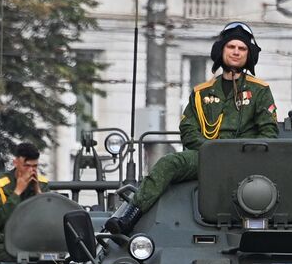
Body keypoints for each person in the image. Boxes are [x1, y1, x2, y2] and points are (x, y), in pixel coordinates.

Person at [107, 22, 279, 233]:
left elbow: (269, 134)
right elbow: (188, 130)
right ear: (220, 50)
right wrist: (212, 151)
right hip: (205, 156)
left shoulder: (260, 91)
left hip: (245, 160)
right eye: (231, 47)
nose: (236, 52)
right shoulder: (201, 93)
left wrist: (236, 151)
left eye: (242, 48)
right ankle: (130, 215)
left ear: (249, 54)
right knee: (170, 162)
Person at [0, 142, 48, 262]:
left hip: (37, 242)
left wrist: (38, 192)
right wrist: (17, 191)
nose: (31, 170)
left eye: (34, 166)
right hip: (6, 243)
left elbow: (47, 219)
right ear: (16, 163)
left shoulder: (42, 184)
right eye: (26, 166)